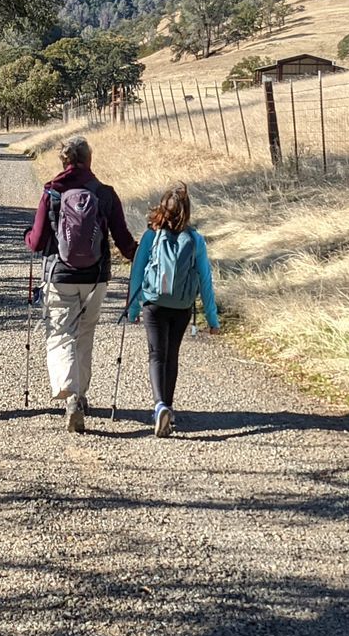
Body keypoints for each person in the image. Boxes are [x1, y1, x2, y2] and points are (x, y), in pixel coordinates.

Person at [23, 135, 137, 433]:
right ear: (89, 159)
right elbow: (124, 241)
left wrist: (26, 237)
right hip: (96, 278)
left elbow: (36, 243)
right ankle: (81, 395)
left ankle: (70, 394)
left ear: (64, 161)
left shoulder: (52, 193)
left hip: (59, 276)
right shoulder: (106, 194)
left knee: (61, 334)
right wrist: (143, 255)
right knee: (85, 334)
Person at [124, 183, 220, 437]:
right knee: (172, 356)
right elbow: (205, 280)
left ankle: (159, 406)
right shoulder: (196, 239)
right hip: (181, 306)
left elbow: (136, 274)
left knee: (156, 354)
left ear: (162, 210)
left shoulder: (150, 236)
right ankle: (168, 405)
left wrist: (133, 308)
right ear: (187, 212)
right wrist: (212, 318)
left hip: (154, 303)